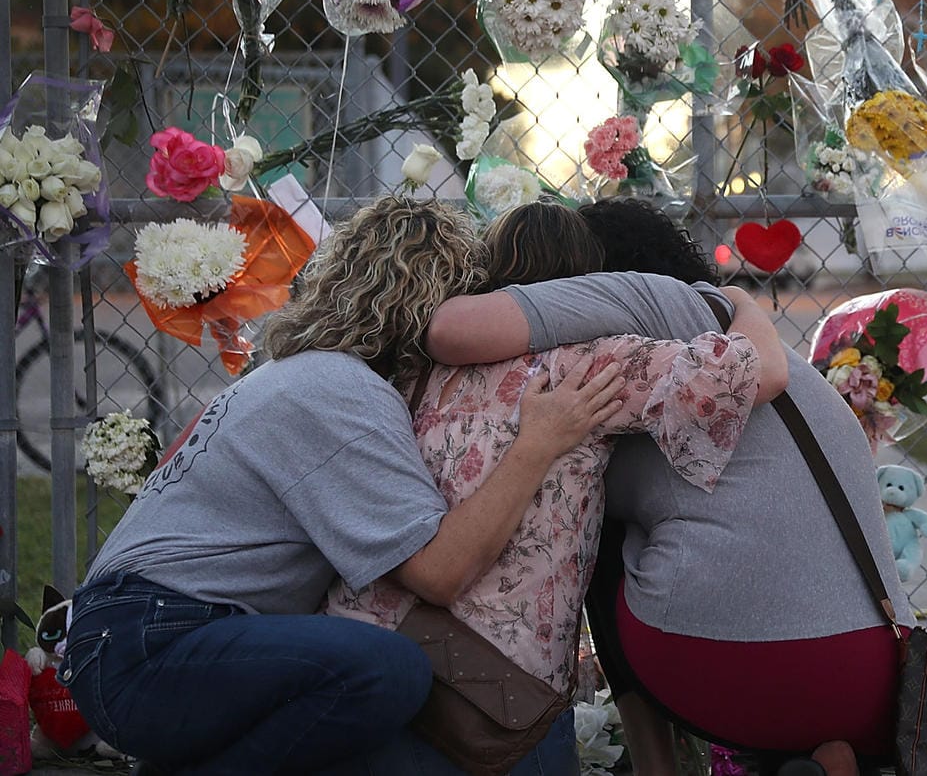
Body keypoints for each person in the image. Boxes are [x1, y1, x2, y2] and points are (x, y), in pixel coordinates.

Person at [62, 197, 627, 776]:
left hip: (131, 637)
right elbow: (439, 572)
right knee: (387, 670)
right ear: (431, 309)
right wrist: (537, 445)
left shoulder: (294, 375)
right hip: (150, 644)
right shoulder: (342, 392)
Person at [428, 198, 914, 776]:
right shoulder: (725, 328)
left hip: (726, 663)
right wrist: (741, 301)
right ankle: (811, 753)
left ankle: (658, 767)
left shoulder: (629, 309)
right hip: (877, 671)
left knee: (603, 530)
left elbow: (447, 329)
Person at [328, 201, 788, 713]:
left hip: (359, 637)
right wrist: (743, 305)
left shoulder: (413, 364)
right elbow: (749, 376)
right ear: (587, 280)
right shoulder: (589, 364)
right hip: (493, 681)